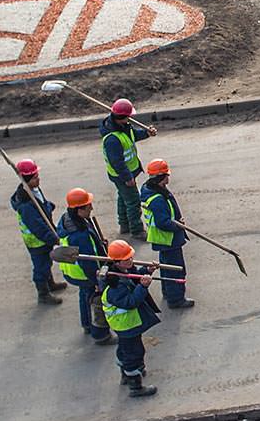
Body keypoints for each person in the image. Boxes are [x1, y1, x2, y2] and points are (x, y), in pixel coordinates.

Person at [100, 241, 161, 399]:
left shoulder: (120, 273)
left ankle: (127, 375)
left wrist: (146, 271)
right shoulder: (114, 287)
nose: (131, 261)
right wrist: (143, 286)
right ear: (117, 262)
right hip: (126, 325)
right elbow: (131, 302)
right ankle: (135, 385)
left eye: (131, 257)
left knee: (125, 350)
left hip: (127, 325)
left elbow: (132, 278)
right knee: (134, 353)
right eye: (127, 259)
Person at [55, 188, 114, 345]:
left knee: (84, 296)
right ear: (79, 210)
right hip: (84, 273)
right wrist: (97, 279)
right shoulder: (79, 235)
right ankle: (100, 333)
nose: (91, 208)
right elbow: (88, 262)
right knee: (95, 300)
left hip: (74, 271)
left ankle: (86, 324)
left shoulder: (68, 219)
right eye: (88, 206)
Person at [139, 159, 194, 308]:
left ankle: (167, 291)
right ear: (162, 177)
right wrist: (179, 226)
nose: (169, 178)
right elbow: (163, 223)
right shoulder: (157, 198)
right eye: (167, 175)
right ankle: (176, 299)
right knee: (175, 270)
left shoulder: (150, 189)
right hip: (168, 240)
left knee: (166, 268)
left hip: (163, 241)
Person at [10, 158, 65, 305]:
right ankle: (43, 293)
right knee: (41, 266)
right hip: (37, 242)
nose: (38, 179)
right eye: (35, 177)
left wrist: (48, 207)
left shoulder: (34, 190)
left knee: (47, 262)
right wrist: (54, 238)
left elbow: (42, 205)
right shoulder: (26, 205)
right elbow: (38, 227)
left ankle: (50, 283)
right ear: (27, 180)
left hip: (43, 238)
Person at [99, 99, 152, 239]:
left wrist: (147, 133)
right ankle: (136, 230)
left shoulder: (124, 127)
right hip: (122, 175)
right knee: (133, 201)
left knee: (123, 198)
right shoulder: (112, 139)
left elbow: (133, 135)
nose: (130, 119)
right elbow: (117, 162)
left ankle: (124, 225)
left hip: (126, 173)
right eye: (128, 116)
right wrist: (127, 178)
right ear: (122, 117)